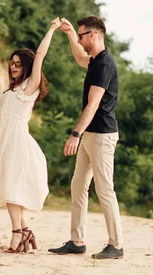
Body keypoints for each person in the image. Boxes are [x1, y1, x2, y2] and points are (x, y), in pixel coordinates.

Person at [0, 17, 61, 253]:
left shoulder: (29, 86)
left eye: (18, 64)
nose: (13, 67)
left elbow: (40, 53)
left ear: (27, 66)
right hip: (5, 141)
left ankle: (17, 233)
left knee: (11, 188)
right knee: (9, 187)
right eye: (11, 63)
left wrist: (52, 29)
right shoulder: (12, 89)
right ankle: (24, 230)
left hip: (17, 142)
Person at [48, 16, 125, 259]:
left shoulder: (105, 65)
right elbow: (80, 58)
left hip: (101, 136)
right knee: (78, 186)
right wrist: (70, 34)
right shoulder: (94, 60)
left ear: (94, 35)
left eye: (82, 35)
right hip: (90, 134)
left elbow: (92, 106)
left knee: (105, 190)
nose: (80, 40)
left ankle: (116, 245)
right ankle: (77, 241)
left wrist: (74, 135)